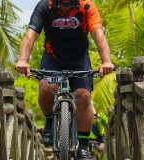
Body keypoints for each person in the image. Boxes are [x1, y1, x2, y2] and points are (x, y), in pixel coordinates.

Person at [15, 0, 114, 159]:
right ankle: (49, 123)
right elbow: (31, 34)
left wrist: (106, 61)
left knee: (83, 96)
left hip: (79, 58)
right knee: (46, 88)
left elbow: (98, 33)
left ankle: (83, 146)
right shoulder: (44, 6)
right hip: (53, 57)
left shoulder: (86, 6)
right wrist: (23, 60)